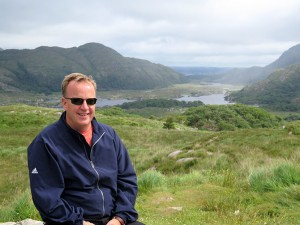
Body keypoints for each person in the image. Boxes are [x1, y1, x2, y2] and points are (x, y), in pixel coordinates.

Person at [28, 73, 145, 225]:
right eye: (77, 100)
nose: (85, 107)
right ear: (64, 103)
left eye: (90, 101)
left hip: (114, 220)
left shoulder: (109, 135)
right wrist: (80, 223)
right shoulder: (46, 143)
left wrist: (120, 218)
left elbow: (127, 180)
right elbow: (47, 199)